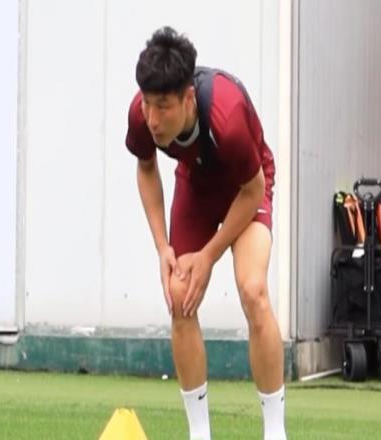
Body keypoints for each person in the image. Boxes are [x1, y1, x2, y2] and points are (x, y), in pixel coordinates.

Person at [126, 26, 287, 440]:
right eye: (147, 104)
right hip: (196, 187)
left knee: (253, 290)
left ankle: (275, 431)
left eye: (163, 106)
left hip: (246, 188)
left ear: (187, 99)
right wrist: (163, 247)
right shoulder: (141, 115)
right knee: (180, 296)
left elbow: (253, 190)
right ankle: (200, 433)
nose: (153, 119)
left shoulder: (226, 118)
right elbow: (146, 167)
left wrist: (209, 255)